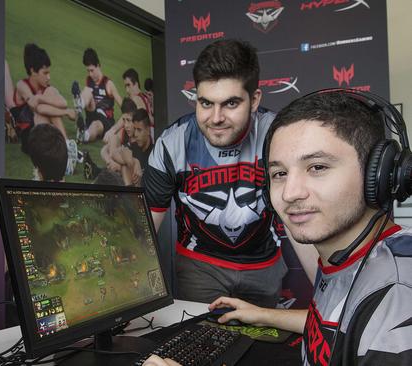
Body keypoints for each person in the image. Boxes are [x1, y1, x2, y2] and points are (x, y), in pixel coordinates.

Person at [145, 90, 412, 366]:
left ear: (378, 174)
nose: (290, 193)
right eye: (280, 174)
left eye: (317, 167)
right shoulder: (347, 257)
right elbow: (339, 323)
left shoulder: (397, 292)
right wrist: (262, 314)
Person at [142, 39, 289, 307]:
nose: (216, 117)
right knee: (199, 345)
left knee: (264, 346)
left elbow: (301, 210)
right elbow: (145, 228)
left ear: (254, 99)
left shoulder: (279, 135)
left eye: (230, 104)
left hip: (263, 265)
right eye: (206, 103)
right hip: (200, 267)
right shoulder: (172, 143)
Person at [10, 43, 79, 175]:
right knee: (42, 112)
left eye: (49, 72)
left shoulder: (47, 88)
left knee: (51, 93)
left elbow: (63, 102)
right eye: (45, 73)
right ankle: (65, 150)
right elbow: (38, 108)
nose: (49, 77)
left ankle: (65, 149)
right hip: (28, 136)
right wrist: (65, 112)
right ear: (33, 71)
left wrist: (42, 98)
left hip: (43, 133)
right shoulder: (22, 85)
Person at [72, 48, 123, 143]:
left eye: (92, 70)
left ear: (99, 66)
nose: (90, 74)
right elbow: (89, 99)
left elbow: (124, 107)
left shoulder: (108, 84)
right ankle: (79, 104)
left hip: (105, 121)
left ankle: (84, 136)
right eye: (88, 71)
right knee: (87, 90)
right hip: (92, 115)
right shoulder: (89, 80)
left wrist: (118, 129)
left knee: (95, 125)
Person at [112, 108, 153, 186]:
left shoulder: (155, 154)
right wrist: (134, 161)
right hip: (133, 192)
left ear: (148, 130)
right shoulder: (134, 147)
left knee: (124, 167)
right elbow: (115, 153)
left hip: (147, 194)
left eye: (139, 130)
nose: (136, 134)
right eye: (135, 129)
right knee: (123, 166)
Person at [100, 97, 137, 173]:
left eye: (129, 120)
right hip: (119, 170)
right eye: (124, 120)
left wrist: (118, 167)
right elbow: (103, 150)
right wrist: (110, 161)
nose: (126, 125)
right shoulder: (124, 132)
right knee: (113, 138)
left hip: (130, 177)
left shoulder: (139, 137)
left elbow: (136, 169)